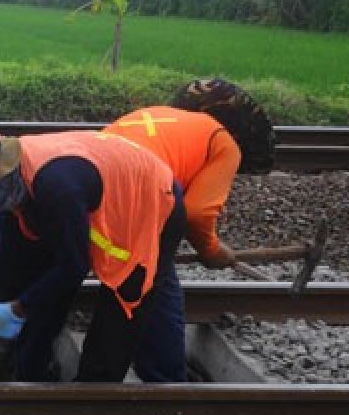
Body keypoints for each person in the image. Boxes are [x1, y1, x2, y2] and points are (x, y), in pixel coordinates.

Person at [0, 123, 185, 395]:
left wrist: (19, 308)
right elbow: (7, 253)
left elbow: (73, 267)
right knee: (21, 277)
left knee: (119, 312)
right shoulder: (17, 183)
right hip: (85, 190)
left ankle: (90, 404)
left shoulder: (57, 188)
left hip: (151, 201)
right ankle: (1, 369)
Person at [102, 79, 275, 382]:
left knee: (127, 278)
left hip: (93, 179)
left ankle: (95, 369)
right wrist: (212, 251)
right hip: (139, 192)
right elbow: (196, 213)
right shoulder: (225, 143)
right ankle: (166, 379)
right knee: (159, 286)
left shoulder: (161, 116)